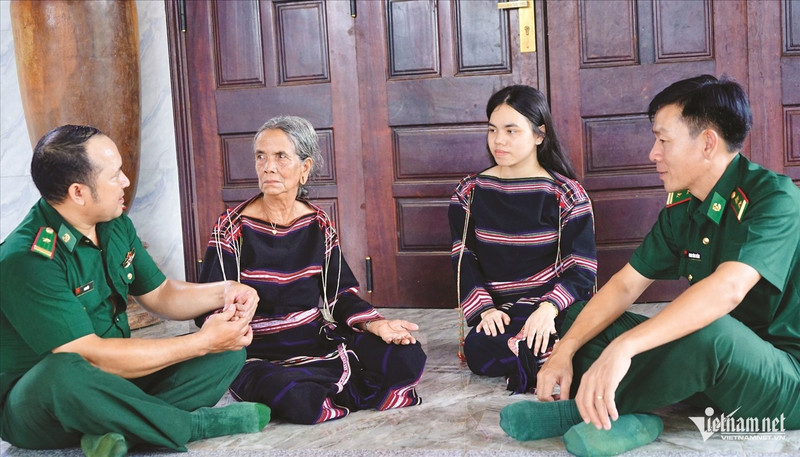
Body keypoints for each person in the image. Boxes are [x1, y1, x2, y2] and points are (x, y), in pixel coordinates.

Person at [500, 75, 800, 456]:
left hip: (784, 382)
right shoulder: (686, 203)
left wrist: (625, 348)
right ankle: (635, 418)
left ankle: (578, 411)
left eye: (663, 140)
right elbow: (626, 285)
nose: (652, 153)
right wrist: (565, 351)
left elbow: (727, 290)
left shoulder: (774, 199)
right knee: (578, 318)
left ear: (707, 142)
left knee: (710, 331)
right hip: (709, 371)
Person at [0, 125, 270, 457]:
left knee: (226, 352)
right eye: (114, 176)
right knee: (65, 368)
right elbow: (91, 355)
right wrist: (200, 342)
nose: (126, 182)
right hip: (42, 404)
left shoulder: (113, 223)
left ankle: (119, 432)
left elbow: (161, 294)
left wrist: (226, 292)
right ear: (78, 192)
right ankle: (195, 425)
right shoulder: (28, 259)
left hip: (114, 379)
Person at [197, 115, 426, 424]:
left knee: (406, 356)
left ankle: (325, 393)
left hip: (315, 340)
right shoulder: (232, 227)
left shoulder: (318, 223)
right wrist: (229, 330)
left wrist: (376, 326)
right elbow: (209, 303)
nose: (268, 166)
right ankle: (320, 395)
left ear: (304, 169)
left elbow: (339, 295)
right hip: (257, 351)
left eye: (280, 157)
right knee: (292, 395)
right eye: (261, 156)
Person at [449, 85, 597, 394]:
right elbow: (464, 258)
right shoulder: (470, 191)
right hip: (503, 314)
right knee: (478, 350)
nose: (498, 140)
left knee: (574, 331)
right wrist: (486, 310)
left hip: (554, 309)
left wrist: (548, 309)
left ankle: (545, 353)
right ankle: (552, 358)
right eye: (492, 130)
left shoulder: (565, 193)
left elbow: (582, 269)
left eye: (511, 131)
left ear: (539, 135)